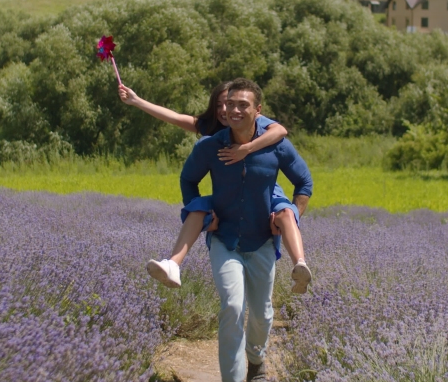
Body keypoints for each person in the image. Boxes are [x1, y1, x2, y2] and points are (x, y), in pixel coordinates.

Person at [117, 82, 312, 294]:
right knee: (198, 207)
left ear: (254, 109)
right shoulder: (211, 133)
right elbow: (172, 117)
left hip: (262, 188)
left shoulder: (254, 121)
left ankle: (300, 265)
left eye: (231, 103)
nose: (226, 110)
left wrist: (246, 149)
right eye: (221, 104)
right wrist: (136, 101)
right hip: (226, 194)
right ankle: (172, 264)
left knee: (285, 212)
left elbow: (280, 130)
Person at [180, 78, 312, 382]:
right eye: (230, 104)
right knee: (233, 307)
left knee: (263, 314)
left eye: (243, 105)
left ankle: (256, 358)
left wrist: (290, 216)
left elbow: (304, 183)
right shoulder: (210, 146)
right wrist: (204, 215)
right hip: (225, 240)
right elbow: (188, 179)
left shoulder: (276, 145)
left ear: (258, 111)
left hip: (262, 241)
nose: (234, 110)